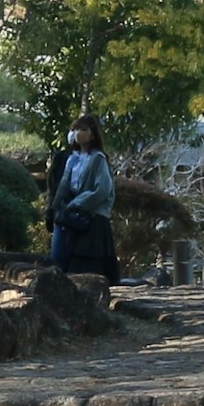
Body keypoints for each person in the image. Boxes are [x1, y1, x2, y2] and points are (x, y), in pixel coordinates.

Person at [50, 113, 119, 281]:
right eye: (75, 129)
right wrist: (53, 209)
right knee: (58, 257)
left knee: (86, 265)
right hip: (69, 215)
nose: (77, 133)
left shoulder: (98, 159)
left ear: (92, 134)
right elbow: (63, 186)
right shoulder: (71, 158)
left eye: (83, 129)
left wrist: (78, 203)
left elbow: (102, 190)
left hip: (90, 217)